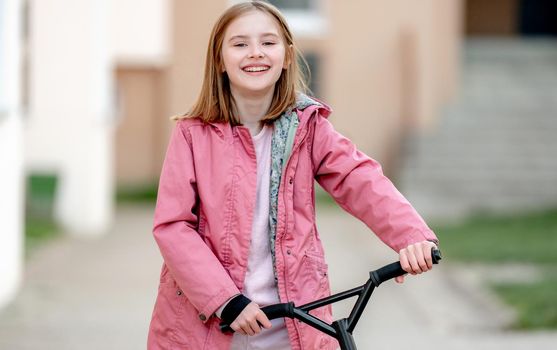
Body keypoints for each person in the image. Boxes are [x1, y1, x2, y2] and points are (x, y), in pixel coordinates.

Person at [147, 1, 438, 349]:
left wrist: (411, 236)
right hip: (211, 321)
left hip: (296, 322)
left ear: (286, 56)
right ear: (219, 61)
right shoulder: (193, 134)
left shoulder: (308, 127)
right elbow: (173, 226)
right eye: (240, 44)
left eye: (268, 42)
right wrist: (225, 301)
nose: (255, 53)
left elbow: (359, 178)